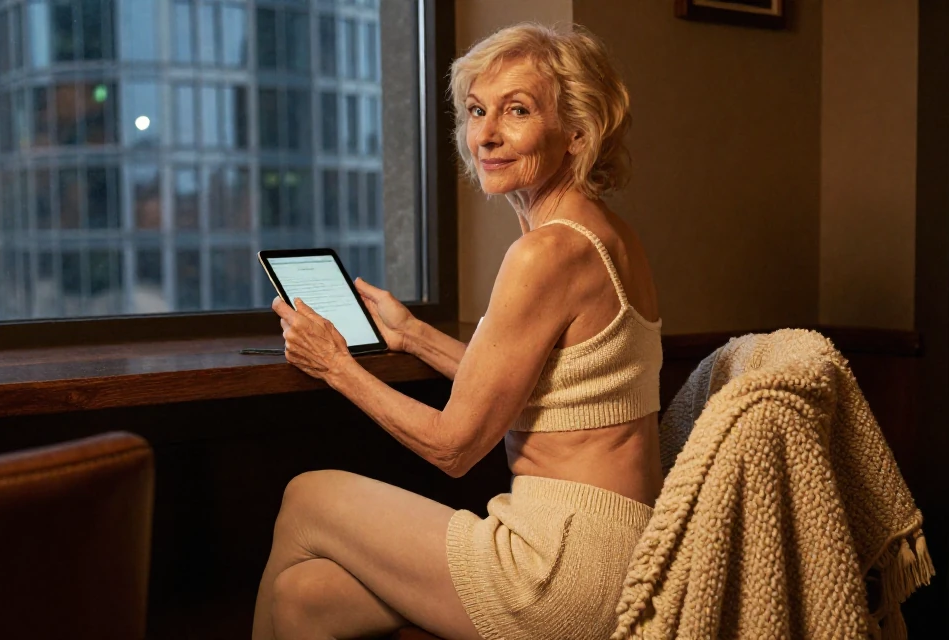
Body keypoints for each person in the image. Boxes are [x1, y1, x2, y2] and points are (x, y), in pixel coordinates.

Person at [254, 22, 663, 640]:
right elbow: (545, 384)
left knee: (307, 495)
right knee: (304, 599)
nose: (486, 135)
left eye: (516, 111)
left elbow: (455, 447)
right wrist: (412, 334)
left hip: (559, 570)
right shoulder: (606, 235)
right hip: (620, 556)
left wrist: (335, 363)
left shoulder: (544, 254)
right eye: (477, 111)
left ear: (578, 133)